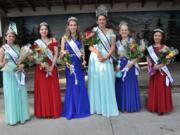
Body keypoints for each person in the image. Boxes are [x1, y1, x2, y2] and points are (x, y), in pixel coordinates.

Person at [87, 5, 119, 117]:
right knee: (96, 82)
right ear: (97, 21)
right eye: (99, 19)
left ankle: (107, 106)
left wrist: (106, 57)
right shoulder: (93, 31)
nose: (101, 21)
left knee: (107, 82)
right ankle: (97, 107)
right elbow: (90, 47)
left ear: (106, 20)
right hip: (95, 59)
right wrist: (97, 53)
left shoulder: (111, 31)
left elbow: (113, 47)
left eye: (103, 19)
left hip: (106, 58)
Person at [61, 17, 90, 119]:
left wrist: (84, 60)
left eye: (74, 25)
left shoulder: (80, 37)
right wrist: (66, 61)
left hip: (78, 65)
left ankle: (81, 108)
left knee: (80, 85)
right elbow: (62, 53)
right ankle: (71, 109)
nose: (72, 27)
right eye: (71, 25)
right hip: (70, 65)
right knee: (71, 86)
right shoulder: (64, 38)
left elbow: (82, 52)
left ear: (77, 26)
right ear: (68, 26)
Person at [32, 22, 62, 118]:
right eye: (42, 29)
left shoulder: (53, 40)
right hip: (41, 69)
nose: (44, 31)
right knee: (43, 89)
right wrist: (43, 64)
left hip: (51, 67)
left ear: (48, 30)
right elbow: (35, 57)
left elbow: (56, 54)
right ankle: (44, 112)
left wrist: (52, 66)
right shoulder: (36, 42)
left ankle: (53, 111)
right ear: (39, 31)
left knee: (52, 89)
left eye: (45, 29)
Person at [0, 30, 30, 125]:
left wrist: (23, 65)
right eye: (9, 36)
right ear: (5, 37)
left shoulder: (17, 47)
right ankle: (13, 118)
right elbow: (0, 64)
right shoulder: (2, 49)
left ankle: (22, 116)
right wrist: (4, 63)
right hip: (9, 74)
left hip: (19, 72)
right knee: (11, 95)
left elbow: (23, 59)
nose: (11, 38)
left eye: (13, 36)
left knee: (20, 93)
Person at [115, 21, 141, 112]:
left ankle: (129, 106)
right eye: (122, 30)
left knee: (128, 86)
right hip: (121, 66)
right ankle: (122, 106)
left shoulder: (132, 41)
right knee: (121, 86)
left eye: (125, 30)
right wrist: (117, 65)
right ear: (119, 31)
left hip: (130, 66)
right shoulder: (118, 42)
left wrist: (130, 64)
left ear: (128, 31)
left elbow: (138, 56)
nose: (124, 32)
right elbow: (118, 56)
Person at [146, 28, 173, 115]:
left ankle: (162, 108)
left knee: (161, 89)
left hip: (162, 72)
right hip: (154, 72)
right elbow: (148, 59)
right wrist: (150, 64)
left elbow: (168, 60)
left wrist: (159, 66)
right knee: (154, 88)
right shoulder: (150, 48)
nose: (157, 37)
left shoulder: (165, 47)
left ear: (162, 37)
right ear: (153, 37)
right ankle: (154, 106)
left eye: (159, 36)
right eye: (155, 35)